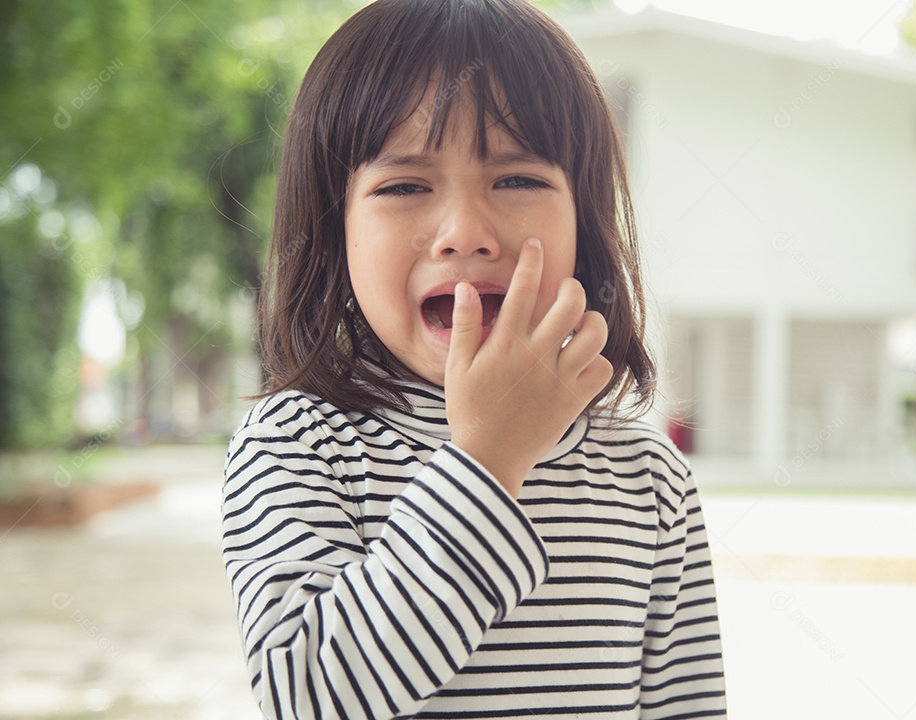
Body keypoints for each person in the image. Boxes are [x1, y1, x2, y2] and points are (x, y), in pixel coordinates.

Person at [220, 0, 727, 717]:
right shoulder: (297, 446)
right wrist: (487, 463)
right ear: (335, 234)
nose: (464, 233)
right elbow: (306, 699)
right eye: (404, 186)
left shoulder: (649, 481)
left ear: (585, 218)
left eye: (517, 179)